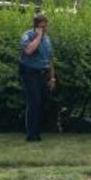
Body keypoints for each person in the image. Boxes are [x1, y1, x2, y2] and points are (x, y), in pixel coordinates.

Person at [19, 14, 56, 142]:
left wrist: (52, 78)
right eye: (42, 27)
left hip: (42, 73)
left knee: (41, 102)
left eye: (46, 26)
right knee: (34, 102)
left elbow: (49, 59)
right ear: (36, 26)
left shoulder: (47, 39)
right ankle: (32, 135)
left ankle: (38, 130)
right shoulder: (27, 36)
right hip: (29, 73)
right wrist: (39, 36)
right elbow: (29, 51)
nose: (45, 29)